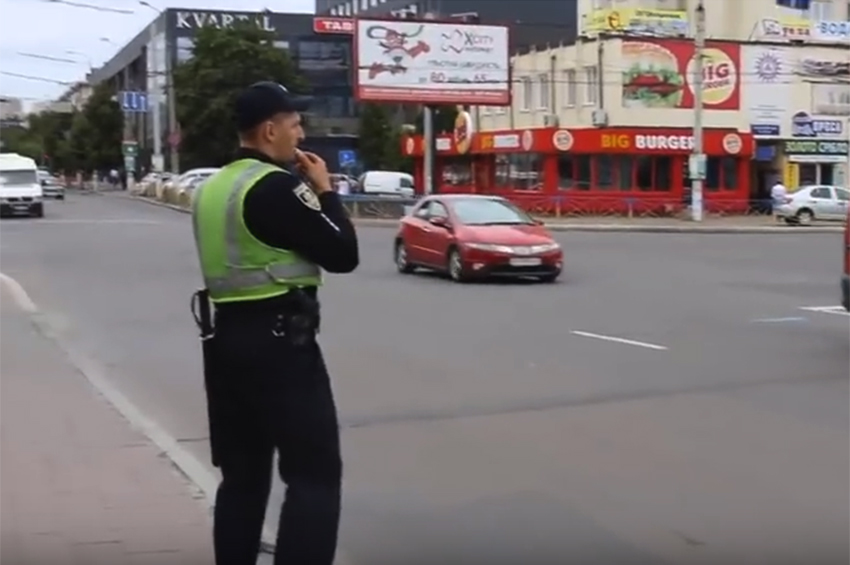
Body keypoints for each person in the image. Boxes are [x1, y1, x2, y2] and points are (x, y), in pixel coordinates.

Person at [190, 81, 359, 565]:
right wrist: (325, 193)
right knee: (314, 475)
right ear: (269, 130)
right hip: (282, 345)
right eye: (294, 123)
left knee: (243, 477)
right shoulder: (277, 187)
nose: (300, 133)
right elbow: (343, 254)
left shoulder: (211, 188)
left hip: (224, 341)